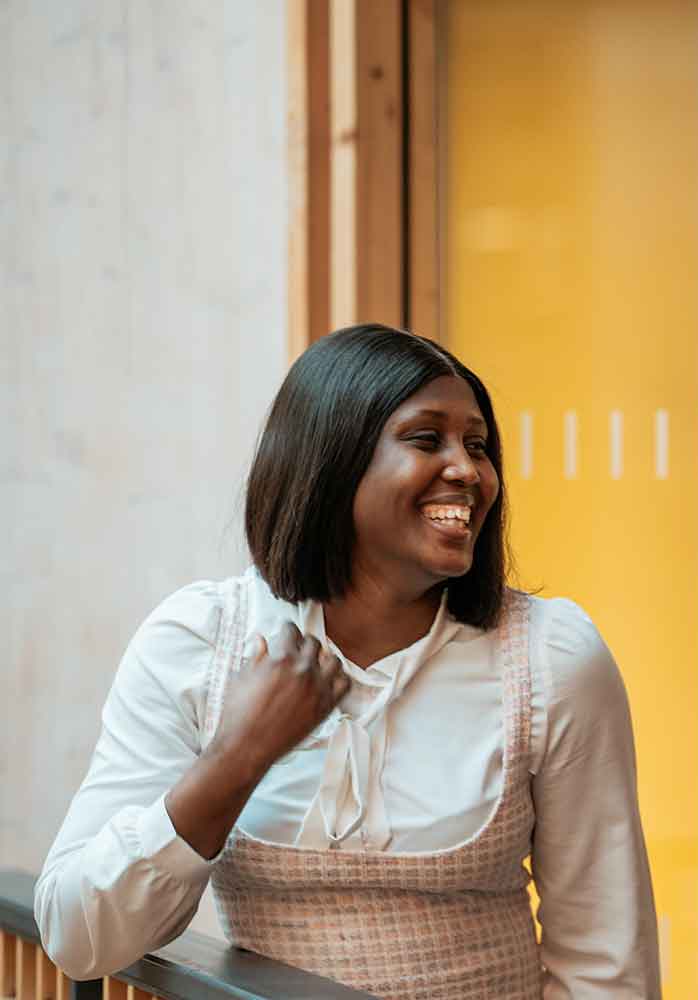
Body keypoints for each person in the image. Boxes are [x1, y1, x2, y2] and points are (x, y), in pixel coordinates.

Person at [34, 324, 661, 998]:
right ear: (330, 462)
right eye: (427, 439)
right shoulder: (199, 643)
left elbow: (605, 964)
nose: (470, 471)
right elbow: (80, 936)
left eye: (478, 446)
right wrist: (238, 756)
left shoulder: (549, 658)